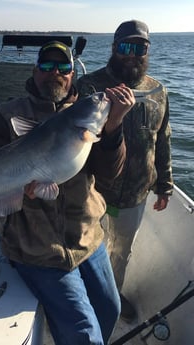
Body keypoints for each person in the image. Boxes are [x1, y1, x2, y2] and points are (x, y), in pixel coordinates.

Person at [0, 41, 135, 345]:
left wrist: (115, 124)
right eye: (48, 66)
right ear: (35, 70)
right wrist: (19, 188)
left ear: (71, 75)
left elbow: (109, 175)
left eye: (64, 67)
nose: (56, 73)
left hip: (86, 236)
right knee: (84, 335)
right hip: (35, 245)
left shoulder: (90, 115)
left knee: (110, 310)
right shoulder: (6, 115)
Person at [77, 20, 173, 322]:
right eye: (125, 47)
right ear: (114, 48)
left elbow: (163, 139)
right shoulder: (88, 87)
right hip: (92, 191)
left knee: (121, 252)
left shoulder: (158, 92)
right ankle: (80, 298)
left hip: (136, 193)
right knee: (87, 247)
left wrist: (165, 184)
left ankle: (111, 295)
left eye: (140, 47)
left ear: (147, 50)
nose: (132, 54)